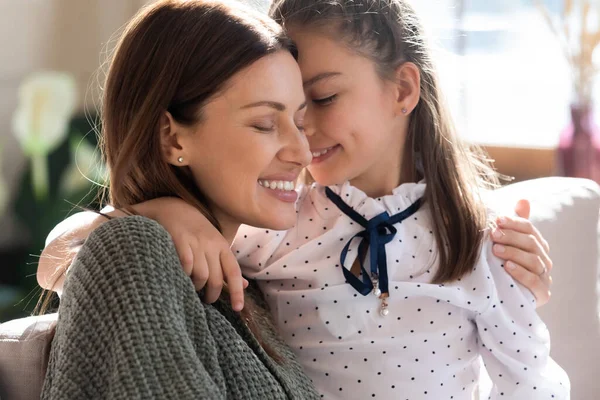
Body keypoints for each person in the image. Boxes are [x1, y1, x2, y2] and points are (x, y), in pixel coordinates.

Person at [39, 0, 563, 399]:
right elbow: (68, 265)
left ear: (403, 91)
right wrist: (161, 213)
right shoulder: (282, 221)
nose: (303, 133)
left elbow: (529, 382)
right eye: (279, 116)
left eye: (321, 99)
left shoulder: (478, 238)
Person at [39, 0, 320, 398]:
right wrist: (144, 217)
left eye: (300, 123)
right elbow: (63, 258)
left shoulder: (243, 284)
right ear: (172, 138)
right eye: (264, 124)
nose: (302, 153)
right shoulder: (137, 253)